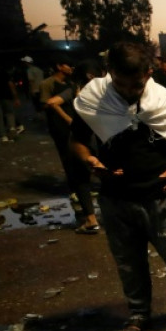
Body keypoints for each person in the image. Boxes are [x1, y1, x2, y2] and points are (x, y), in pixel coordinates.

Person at [71, 41, 166, 331]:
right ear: (110, 73)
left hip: (160, 196)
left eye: (137, 84)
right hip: (115, 198)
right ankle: (138, 315)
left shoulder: (164, 102)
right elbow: (77, 141)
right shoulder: (94, 98)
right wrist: (90, 161)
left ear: (148, 73)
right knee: (129, 263)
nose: (130, 90)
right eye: (122, 83)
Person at [44, 59, 103, 234]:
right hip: (103, 139)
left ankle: (91, 219)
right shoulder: (110, 90)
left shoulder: (78, 91)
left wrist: (70, 120)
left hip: (83, 140)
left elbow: (52, 102)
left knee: (81, 178)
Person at [0, 62, 20, 142]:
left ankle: (3, 136)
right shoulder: (3, 72)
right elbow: (11, 85)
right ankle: (12, 131)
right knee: (9, 113)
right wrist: (16, 97)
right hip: (7, 96)